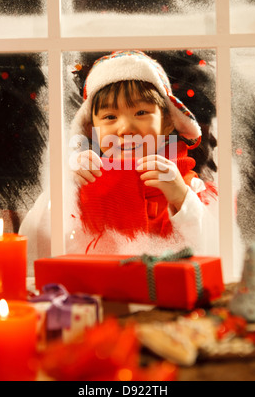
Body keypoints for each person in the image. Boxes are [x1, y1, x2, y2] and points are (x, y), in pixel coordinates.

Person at [68, 50, 217, 256]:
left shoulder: (190, 185)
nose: (125, 129)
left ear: (167, 123)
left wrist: (180, 196)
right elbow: (43, 242)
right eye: (110, 116)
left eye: (141, 113)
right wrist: (68, 190)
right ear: (91, 129)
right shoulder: (85, 180)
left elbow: (216, 249)